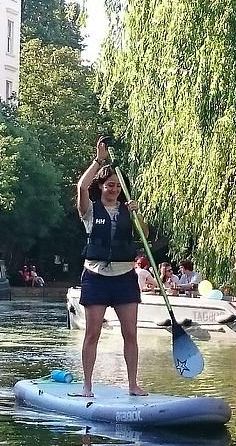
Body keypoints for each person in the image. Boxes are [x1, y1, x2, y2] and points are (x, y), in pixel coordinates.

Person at [76, 136, 148, 397]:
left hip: (125, 277)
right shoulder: (90, 211)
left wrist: (137, 213)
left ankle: (132, 384)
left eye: (117, 186)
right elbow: (82, 187)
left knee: (131, 333)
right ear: (102, 187)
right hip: (96, 277)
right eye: (109, 185)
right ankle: (87, 385)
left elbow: (145, 234)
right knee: (92, 333)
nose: (114, 189)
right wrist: (99, 160)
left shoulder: (128, 210)